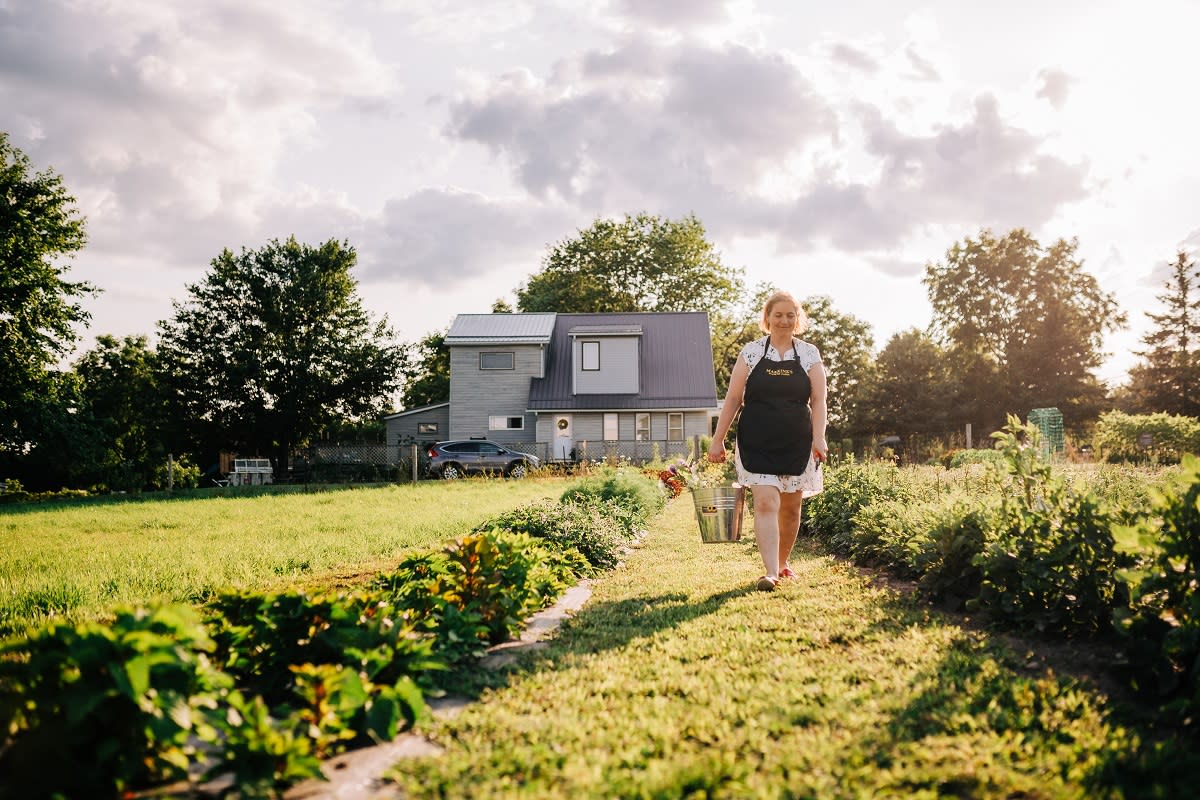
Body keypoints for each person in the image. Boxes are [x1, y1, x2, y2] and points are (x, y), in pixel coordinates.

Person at [707, 291, 828, 592]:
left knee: (790, 508)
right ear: (768, 319)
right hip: (756, 440)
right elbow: (734, 398)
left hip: (797, 442)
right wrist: (717, 439)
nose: (784, 320)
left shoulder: (809, 353)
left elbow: (820, 399)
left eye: (790, 315)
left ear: (797, 319)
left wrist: (819, 437)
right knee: (765, 502)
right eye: (778, 315)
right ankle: (770, 572)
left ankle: (784, 563)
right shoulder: (752, 352)